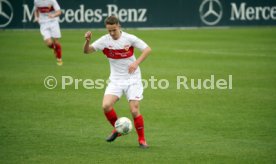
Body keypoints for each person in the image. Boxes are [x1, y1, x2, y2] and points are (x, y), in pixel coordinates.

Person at [83, 16, 151, 148]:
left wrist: (136, 63)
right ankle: (118, 130)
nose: (112, 33)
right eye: (109, 31)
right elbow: (86, 51)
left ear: (119, 26)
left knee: (134, 110)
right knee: (106, 106)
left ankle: (142, 140)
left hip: (133, 78)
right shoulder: (104, 40)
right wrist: (87, 41)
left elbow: (147, 49)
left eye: (114, 30)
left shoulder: (129, 38)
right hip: (116, 80)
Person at [34, 0, 63, 66]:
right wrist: (36, 17)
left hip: (53, 22)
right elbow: (36, 10)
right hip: (43, 23)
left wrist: (53, 15)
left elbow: (59, 12)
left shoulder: (52, 1)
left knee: (56, 42)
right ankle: (54, 48)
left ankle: (59, 59)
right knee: (49, 43)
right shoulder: (36, 1)